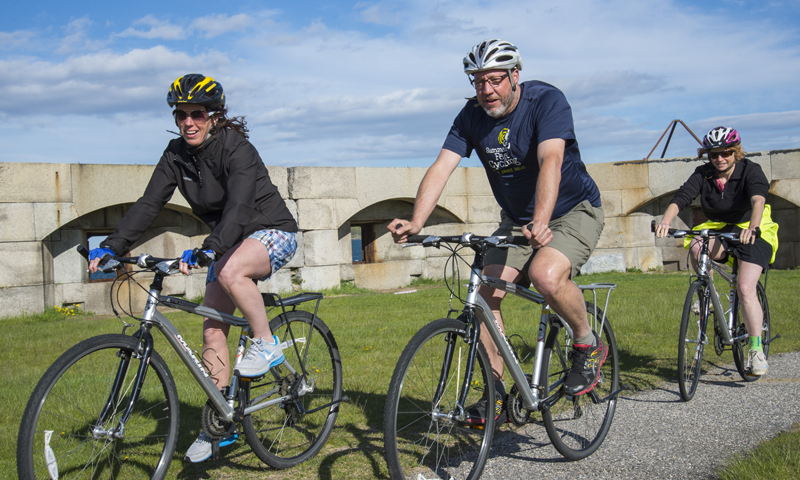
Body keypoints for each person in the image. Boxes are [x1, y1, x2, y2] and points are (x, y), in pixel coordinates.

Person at [388, 39, 606, 424]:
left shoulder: (546, 101)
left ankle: (587, 344)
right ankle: (496, 392)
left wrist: (541, 219)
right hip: (518, 218)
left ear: (514, 75)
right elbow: (442, 166)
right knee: (484, 295)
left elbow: (551, 159)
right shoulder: (471, 115)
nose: (486, 90)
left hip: (572, 210)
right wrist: (417, 221)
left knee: (545, 275)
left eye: (494, 80)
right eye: (477, 82)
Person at [87, 74, 299, 462]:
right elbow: (149, 204)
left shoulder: (237, 148)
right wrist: (113, 246)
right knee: (212, 329)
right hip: (229, 242)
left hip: (271, 231)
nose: (188, 122)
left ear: (214, 116)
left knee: (231, 271)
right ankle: (221, 424)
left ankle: (266, 343)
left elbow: (238, 207)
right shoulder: (175, 154)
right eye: (181, 114)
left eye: (197, 114)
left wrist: (210, 249)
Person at [655, 126, 778, 376]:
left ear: (736, 152)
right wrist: (666, 221)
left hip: (753, 229)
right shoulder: (704, 174)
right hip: (720, 228)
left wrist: (753, 228)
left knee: (745, 288)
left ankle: (756, 350)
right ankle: (706, 294)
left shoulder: (750, 170)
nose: (720, 159)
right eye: (714, 155)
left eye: (726, 153)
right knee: (696, 243)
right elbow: (682, 197)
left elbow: (758, 200)